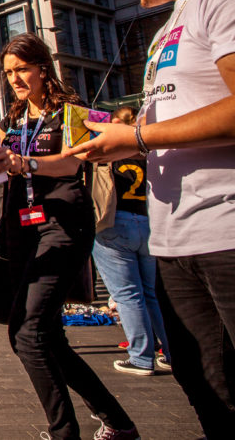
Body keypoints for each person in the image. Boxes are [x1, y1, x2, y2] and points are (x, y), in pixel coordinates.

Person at [66, 0, 235, 438]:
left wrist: (137, 134)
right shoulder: (169, 24)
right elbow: (176, 120)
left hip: (226, 234)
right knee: (205, 381)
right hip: (175, 242)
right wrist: (125, 144)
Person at [0, 33, 137, 440]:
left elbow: (71, 166)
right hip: (21, 233)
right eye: (8, 72)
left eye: (22, 70)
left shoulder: (72, 115)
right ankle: (118, 423)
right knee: (48, 337)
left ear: (43, 68)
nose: (14, 79)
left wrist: (24, 162)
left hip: (63, 226)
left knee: (28, 333)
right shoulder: (10, 122)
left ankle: (63, 432)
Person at [89, 106, 171, 376]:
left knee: (126, 295)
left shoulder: (108, 151)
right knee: (152, 293)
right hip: (148, 222)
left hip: (114, 223)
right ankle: (171, 353)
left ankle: (141, 357)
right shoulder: (147, 152)